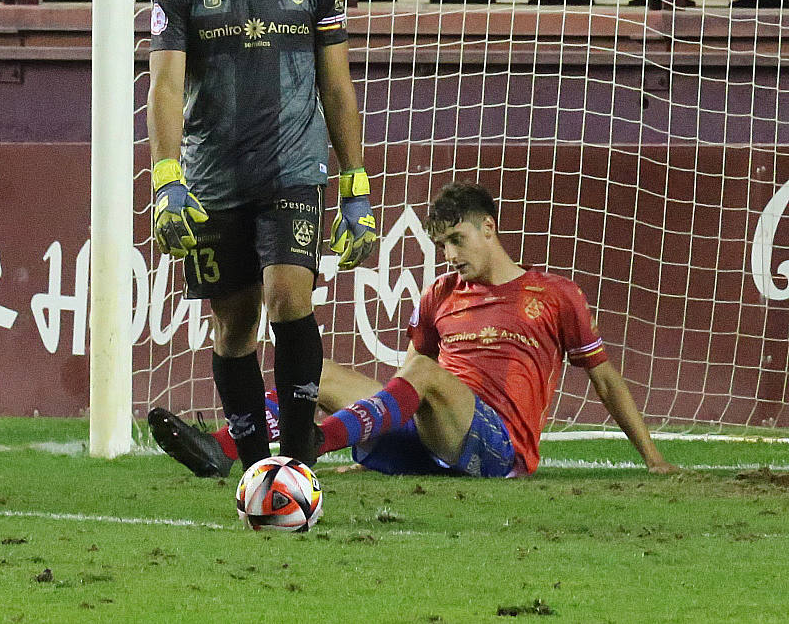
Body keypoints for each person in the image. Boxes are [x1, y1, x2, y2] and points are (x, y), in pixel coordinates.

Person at [150, 182, 678, 478]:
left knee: (426, 372)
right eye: (441, 244)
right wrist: (372, 441)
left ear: (489, 228)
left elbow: (604, 379)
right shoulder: (439, 296)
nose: (449, 255)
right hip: (429, 439)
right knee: (320, 374)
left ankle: (313, 444)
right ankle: (221, 449)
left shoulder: (555, 295)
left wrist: (653, 458)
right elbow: (405, 379)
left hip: (497, 450)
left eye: (456, 239)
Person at [147, 0, 377, 472]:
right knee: (235, 326)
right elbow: (165, 88)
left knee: (289, 297)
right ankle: (254, 466)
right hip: (214, 178)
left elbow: (336, 84)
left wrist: (354, 182)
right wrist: (168, 180)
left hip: (293, 168)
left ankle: (298, 462)